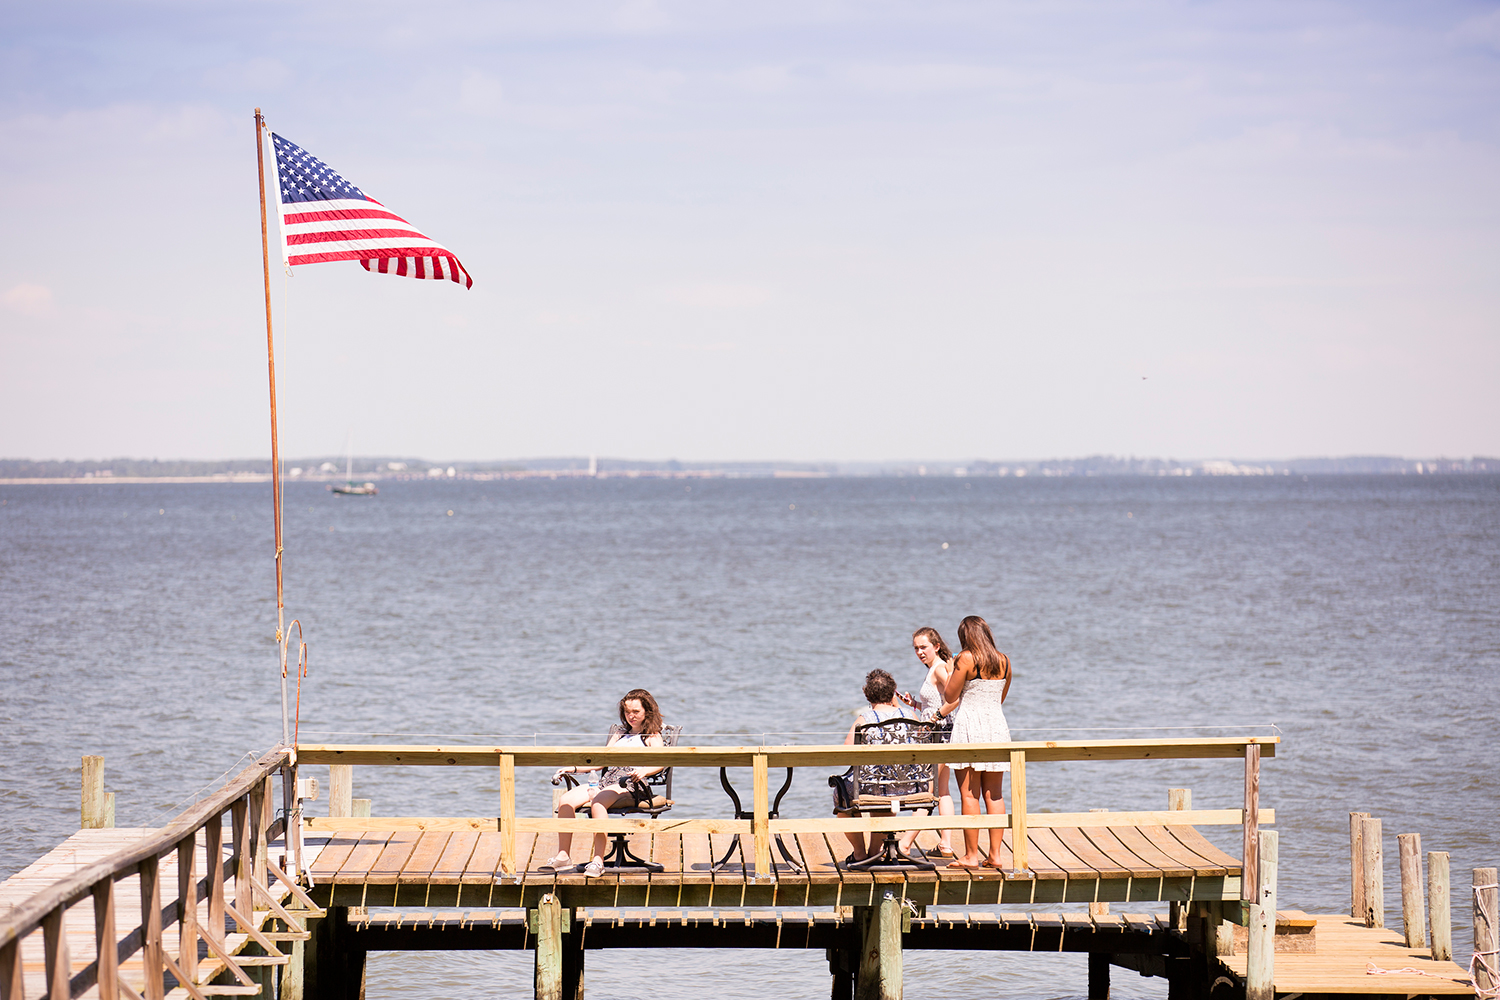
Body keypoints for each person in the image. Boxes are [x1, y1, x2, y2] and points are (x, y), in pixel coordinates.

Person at [541, 689, 665, 877]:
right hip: (607, 781)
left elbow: (661, 762)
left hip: (631, 783)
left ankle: (598, 861)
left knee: (598, 801)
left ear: (647, 712)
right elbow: (600, 761)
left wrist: (644, 770)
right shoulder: (620, 733)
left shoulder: (652, 736)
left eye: (636, 712)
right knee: (566, 801)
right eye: (627, 712)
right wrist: (572, 768)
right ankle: (563, 856)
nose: (631, 716)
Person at [935, 616, 1012, 870]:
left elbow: (950, 695)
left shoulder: (966, 658)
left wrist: (951, 669)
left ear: (964, 637)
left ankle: (970, 856)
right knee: (995, 794)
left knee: (969, 793)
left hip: (969, 726)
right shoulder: (1004, 660)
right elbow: (999, 697)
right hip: (997, 728)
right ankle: (996, 855)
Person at [834, 668, 927, 865]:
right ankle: (875, 851)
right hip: (912, 787)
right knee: (885, 790)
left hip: (875, 788)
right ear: (893, 692)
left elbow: (845, 753)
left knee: (843, 794)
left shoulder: (864, 720)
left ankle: (861, 853)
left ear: (867, 695)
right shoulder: (910, 715)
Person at [898, 626, 958, 858]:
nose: (919, 652)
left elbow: (955, 698)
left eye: (923, 647)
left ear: (937, 646)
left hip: (939, 735)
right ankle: (946, 844)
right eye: (916, 648)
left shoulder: (940, 668)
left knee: (928, 790)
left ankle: (904, 844)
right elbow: (939, 702)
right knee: (942, 791)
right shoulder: (934, 668)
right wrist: (914, 704)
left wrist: (935, 718)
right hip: (939, 733)